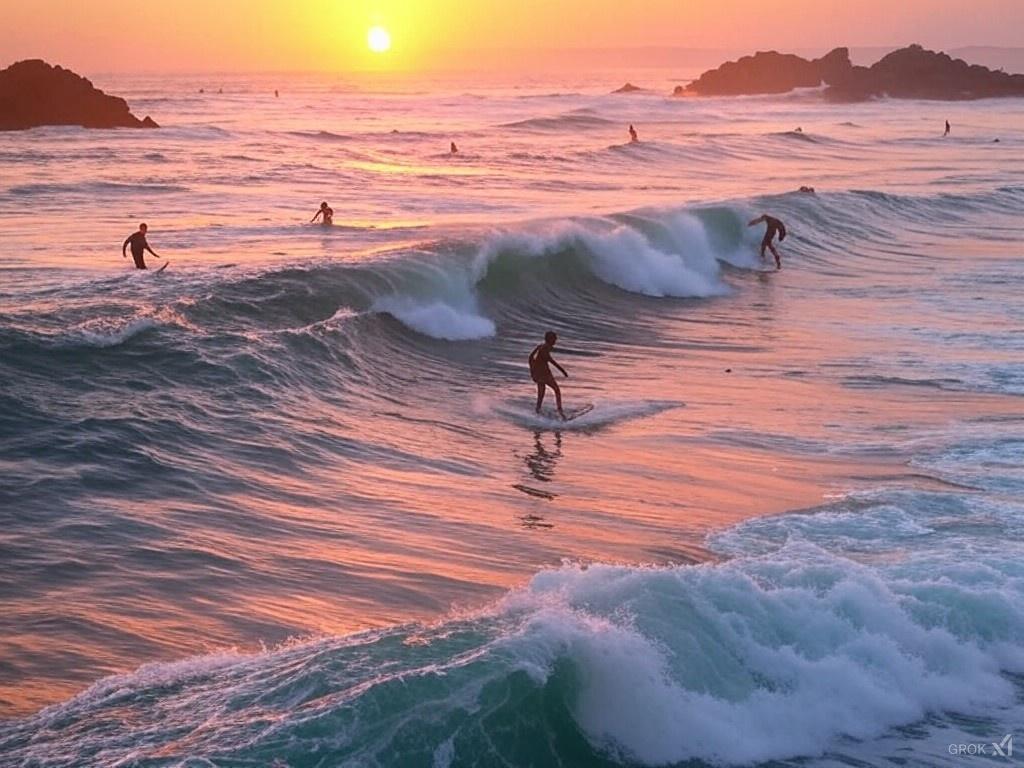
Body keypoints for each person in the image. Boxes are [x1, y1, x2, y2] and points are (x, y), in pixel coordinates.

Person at [529, 331, 568, 419]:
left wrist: (535, 349)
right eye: (554, 339)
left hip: (539, 374)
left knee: (541, 394)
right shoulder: (545, 348)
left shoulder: (543, 347)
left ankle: (537, 411)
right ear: (550, 339)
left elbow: (531, 357)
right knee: (556, 390)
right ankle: (560, 411)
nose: (555, 340)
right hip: (544, 374)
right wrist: (562, 371)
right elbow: (551, 361)